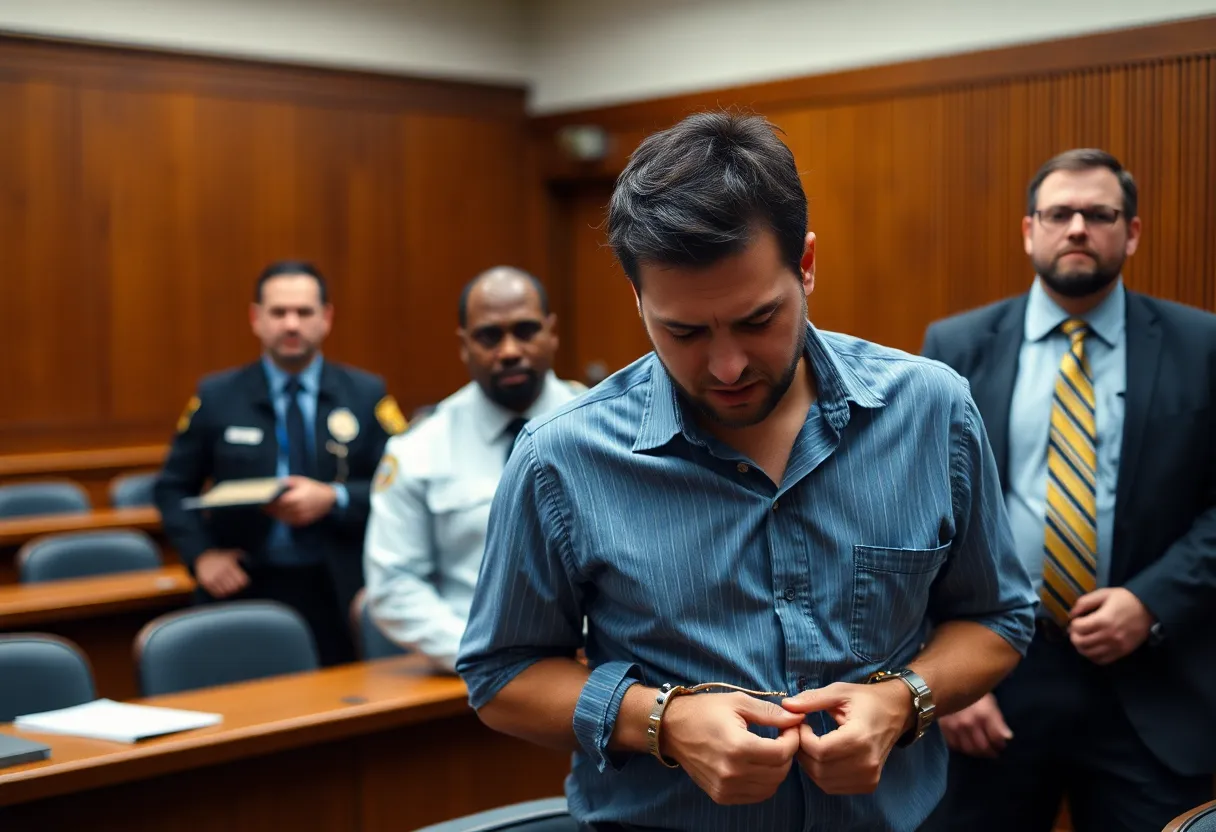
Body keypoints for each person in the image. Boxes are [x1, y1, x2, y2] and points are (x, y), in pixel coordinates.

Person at [455, 112, 1036, 832]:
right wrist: (661, 723)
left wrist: (903, 702)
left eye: (758, 320)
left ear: (808, 265)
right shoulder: (560, 457)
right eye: (684, 332)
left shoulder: (932, 411)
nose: (726, 366)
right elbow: (500, 675)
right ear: (638, 300)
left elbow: (998, 617)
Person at [919, 149, 1216, 831]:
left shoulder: (1202, 347)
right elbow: (920, 517)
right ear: (1030, 230)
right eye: (1060, 214)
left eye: (1099, 214)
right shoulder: (956, 346)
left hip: (1152, 689)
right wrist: (944, 678)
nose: (1078, 227)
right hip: (993, 678)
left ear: (1131, 232)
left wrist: (1151, 601)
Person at [154, 260, 404, 666]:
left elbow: (401, 488)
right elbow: (172, 487)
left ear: (326, 319)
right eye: (278, 312)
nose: (291, 324)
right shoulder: (217, 396)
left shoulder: (365, 394)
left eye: (304, 312)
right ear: (256, 318)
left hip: (340, 587)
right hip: (243, 583)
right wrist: (201, 556)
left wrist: (334, 497)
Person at [362, 266, 582, 670]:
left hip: (604, 669)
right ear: (464, 345)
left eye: (526, 330)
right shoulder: (419, 449)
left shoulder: (606, 427)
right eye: (489, 336)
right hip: (473, 678)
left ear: (552, 332)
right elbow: (394, 585)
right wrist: (485, 654)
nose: (510, 350)